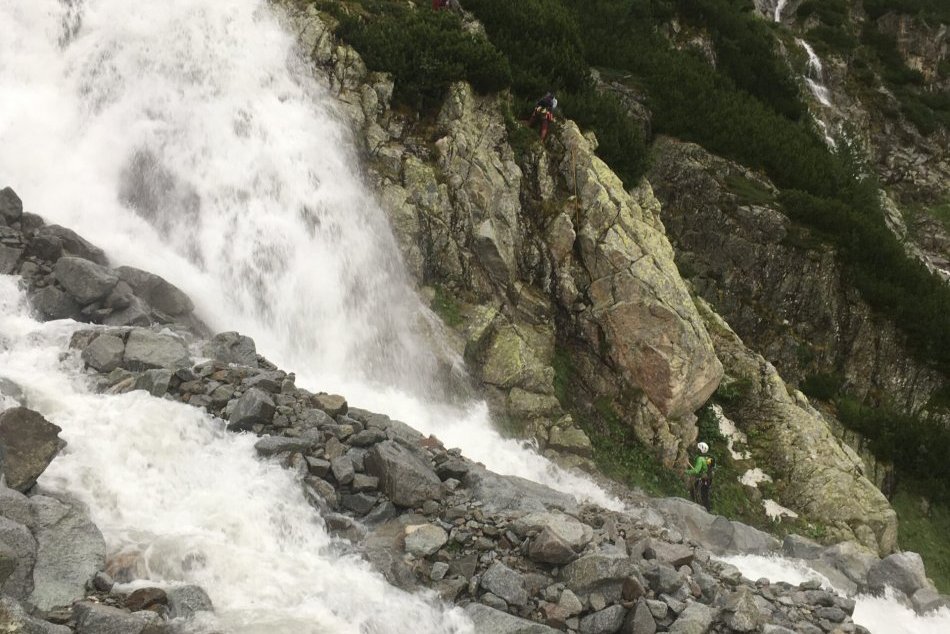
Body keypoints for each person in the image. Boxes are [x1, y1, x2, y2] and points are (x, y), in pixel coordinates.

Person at [686, 441, 714, 511]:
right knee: (703, 494)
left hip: (704, 480)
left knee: (698, 493)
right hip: (708, 479)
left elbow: (696, 471)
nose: (697, 450)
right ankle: (704, 509)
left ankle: (703, 510)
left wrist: (686, 471)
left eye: (698, 449)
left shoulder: (700, 459)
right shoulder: (707, 458)